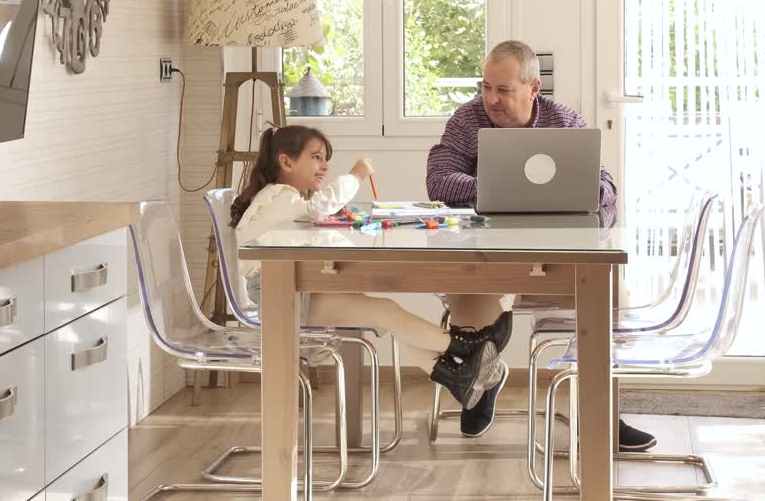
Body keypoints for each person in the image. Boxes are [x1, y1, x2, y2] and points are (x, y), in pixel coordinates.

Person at [426, 40, 657, 449]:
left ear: (533, 89)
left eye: (503, 90)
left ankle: (601, 413)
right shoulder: (467, 120)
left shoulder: (564, 121)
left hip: (554, 258)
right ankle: (485, 380)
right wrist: (500, 188)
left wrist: (583, 201)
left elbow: (607, 189)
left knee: (611, 295)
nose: (491, 99)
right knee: (465, 302)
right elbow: (439, 180)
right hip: (485, 257)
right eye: (486, 87)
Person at [233, 124, 512, 409]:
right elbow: (318, 208)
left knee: (386, 314)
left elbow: (311, 218)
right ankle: (470, 345)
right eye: (316, 157)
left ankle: (458, 375)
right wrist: (355, 176)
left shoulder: (285, 200)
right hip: (277, 296)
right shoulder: (278, 197)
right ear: (286, 161)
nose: (325, 166)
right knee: (385, 311)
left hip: (290, 289)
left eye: (325, 158)